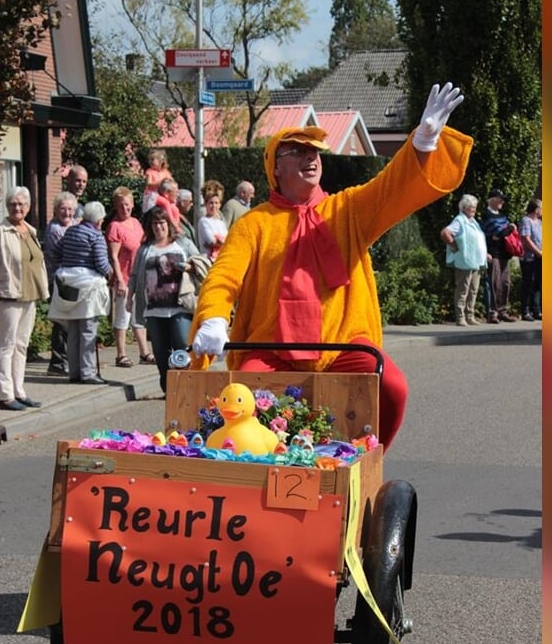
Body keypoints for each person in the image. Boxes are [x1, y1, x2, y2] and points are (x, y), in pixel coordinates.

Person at [191, 82, 471, 446]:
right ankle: (254, 476)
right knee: (241, 402)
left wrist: (421, 145)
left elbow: (391, 188)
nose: (312, 157)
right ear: (276, 167)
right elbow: (223, 276)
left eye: (316, 151)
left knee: (393, 387)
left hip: (341, 348)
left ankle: (365, 463)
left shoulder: (347, 209)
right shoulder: (254, 223)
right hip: (272, 350)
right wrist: (214, 315)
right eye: (299, 151)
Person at [0, 187, 48, 410]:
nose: (17, 208)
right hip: (7, 295)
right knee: (7, 346)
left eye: (21, 204)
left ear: (28, 207)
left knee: (22, 346)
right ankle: (5, 395)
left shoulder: (30, 231)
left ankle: (19, 391)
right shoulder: (0, 232)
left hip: (29, 295)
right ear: (7, 207)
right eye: (13, 204)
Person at [128, 207, 200, 394]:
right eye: (154, 223)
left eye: (161, 223)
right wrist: (130, 298)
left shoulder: (182, 244)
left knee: (182, 348)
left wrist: (190, 267)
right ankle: (169, 390)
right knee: (160, 354)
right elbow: (135, 275)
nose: (158, 227)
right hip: (153, 309)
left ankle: (186, 389)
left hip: (180, 306)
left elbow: (201, 262)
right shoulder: (145, 249)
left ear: (168, 224)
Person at [50, 201, 112, 384]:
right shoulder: (96, 236)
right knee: (88, 330)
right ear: (99, 220)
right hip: (88, 286)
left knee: (73, 331)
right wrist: (111, 273)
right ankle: (88, 373)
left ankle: (74, 372)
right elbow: (101, 264)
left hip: (69, 286)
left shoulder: (70, 231)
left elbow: (58, 252)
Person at [104, 186, 153, 367]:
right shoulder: (114, 227)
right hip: (124, 277)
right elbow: (114, 257)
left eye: (128, 205)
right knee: (123, 317)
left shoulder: (136, 223)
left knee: (138, 316)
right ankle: (121, 354)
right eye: (121, 205)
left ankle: (144, 352)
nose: (125, 208)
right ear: (116, 207)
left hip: (138, 276)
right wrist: (121, 282)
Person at [43, 191, 77, 374]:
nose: (67, 213)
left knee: (70, 321)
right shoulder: (54, 229)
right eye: (63, 209)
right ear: (56, 211)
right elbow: (68, 253)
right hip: (58, 281)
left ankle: (67, 359)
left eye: (71, 209)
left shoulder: (72, 225)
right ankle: (57, 363)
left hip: (71, 280)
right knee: (61, 322)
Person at [441, 194, 488, 325]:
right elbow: (445, 233)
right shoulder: (459, 220)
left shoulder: (473, 222)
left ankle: (470, 315)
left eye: (475, 207)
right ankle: (460, 317)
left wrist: (485, 254)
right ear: (464, 208)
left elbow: (477, 240)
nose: (474, 210)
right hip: (465, 261)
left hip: (476, 262)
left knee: (473, 290)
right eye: (471, 207)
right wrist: (455, 247)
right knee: (463, 289)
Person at [479, 189, 518, 322]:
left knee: (505, 283)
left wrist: (508, 230)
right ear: (492, 199)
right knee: (494, 283)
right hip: (493, 253)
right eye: (500, 198)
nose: (502, 201)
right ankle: (492, 313)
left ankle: (502, 311)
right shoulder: (486, 215)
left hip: (504, 254)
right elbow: (496, 235)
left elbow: (503, 234)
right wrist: (509, 228)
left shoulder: (502, 215)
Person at [518, 197, 543, 321]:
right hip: (529, 258)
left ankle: (536, 310)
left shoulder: (539, 222)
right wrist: (538, 252)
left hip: (539, 258)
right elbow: (526, 239)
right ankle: (525, 310)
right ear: (536, 209)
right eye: (541, 208)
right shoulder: (526, 221)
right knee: (529, 283)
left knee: (538, 283)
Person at [197, 188, 229, 260]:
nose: (214, 206)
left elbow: (228, 240)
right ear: (206, 204)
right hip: (208, 259)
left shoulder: (221, 223)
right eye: (211, 203)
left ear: (220, 205)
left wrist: (219, 243)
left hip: (221, 258)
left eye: (216, 203)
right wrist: (221, 243)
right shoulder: (204, 221)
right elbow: (211, 241)